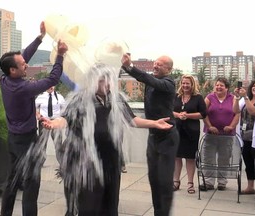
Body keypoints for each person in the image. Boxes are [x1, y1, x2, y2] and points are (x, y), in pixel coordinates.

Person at [42, 63, 173, 216]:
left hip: (111, 159)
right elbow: (65, 119)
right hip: (87, 162)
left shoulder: (115, 99)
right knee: (89, 204)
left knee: (110, 204)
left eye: (109, 80)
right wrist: (54, 123)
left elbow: (131, 119)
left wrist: (154, 123)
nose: (108, 84)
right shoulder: (81, 99)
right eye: (103, 80)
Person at [0, 21, 68, 216]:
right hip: (27, 142)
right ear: (13, 70)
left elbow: (23, 57)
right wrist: (60, 55)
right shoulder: (23, 88)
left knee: (12, 181)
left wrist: (40, 37)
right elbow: (53, 79)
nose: (26, 64)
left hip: (13, 138)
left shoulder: (5, 79)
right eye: (22, 65)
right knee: (31, 185)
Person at [121, 54, 179, 216]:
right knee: (154, 180)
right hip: (153, 137)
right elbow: (147, 79)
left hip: (167, 137)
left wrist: (130, 66)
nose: (155, 66)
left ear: (168, 69)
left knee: (164, 181)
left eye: (159, 65)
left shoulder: (168, 83)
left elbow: (150, 80)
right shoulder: (152, 81)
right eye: (154, 63)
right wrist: (123, 66)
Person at [200, 77, 240, 191]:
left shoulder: (232, 98)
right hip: (211, 134)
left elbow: (237, 114)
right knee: (209, 158)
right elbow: (203, 112)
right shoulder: (209, 97)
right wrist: (209, 126)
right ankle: (208, 182)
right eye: (217, 85)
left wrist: (231, 126)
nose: (219, 87)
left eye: (221, 85)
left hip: (227, 135)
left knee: (224, 158)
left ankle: (222, 182)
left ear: (227, 88)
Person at [233, 78, 255, 195]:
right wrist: (237, 97)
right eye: (254, 86)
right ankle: (250, 187)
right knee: (248, 163)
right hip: (245, 138)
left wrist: (246, 98)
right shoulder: (246, 99)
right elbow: (235, 110)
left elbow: (254, 111)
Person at [173, 74, 207, 194]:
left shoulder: (198, 97)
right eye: (183, 83)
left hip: (191, 132)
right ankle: (176, 182)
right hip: (177, 130)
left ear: (192, 84)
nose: (185, 85)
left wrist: (187, 116)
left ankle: (190, 183)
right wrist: (178, 115)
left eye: (188, 83)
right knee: (176, 157)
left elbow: (203, 114)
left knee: (190, 158)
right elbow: (169, 110)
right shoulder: (176, 96)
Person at [35, 86, 66, 162]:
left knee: (58, 144)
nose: (50, 87)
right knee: (42, 143)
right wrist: (38, 114)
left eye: (52, 85)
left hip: (55, 122)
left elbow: (65, 109)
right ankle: (40, 162)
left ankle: (62, 163)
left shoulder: (59, 97)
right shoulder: (40, 97)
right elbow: (33, 107)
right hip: (44, 122)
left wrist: (61, 118)